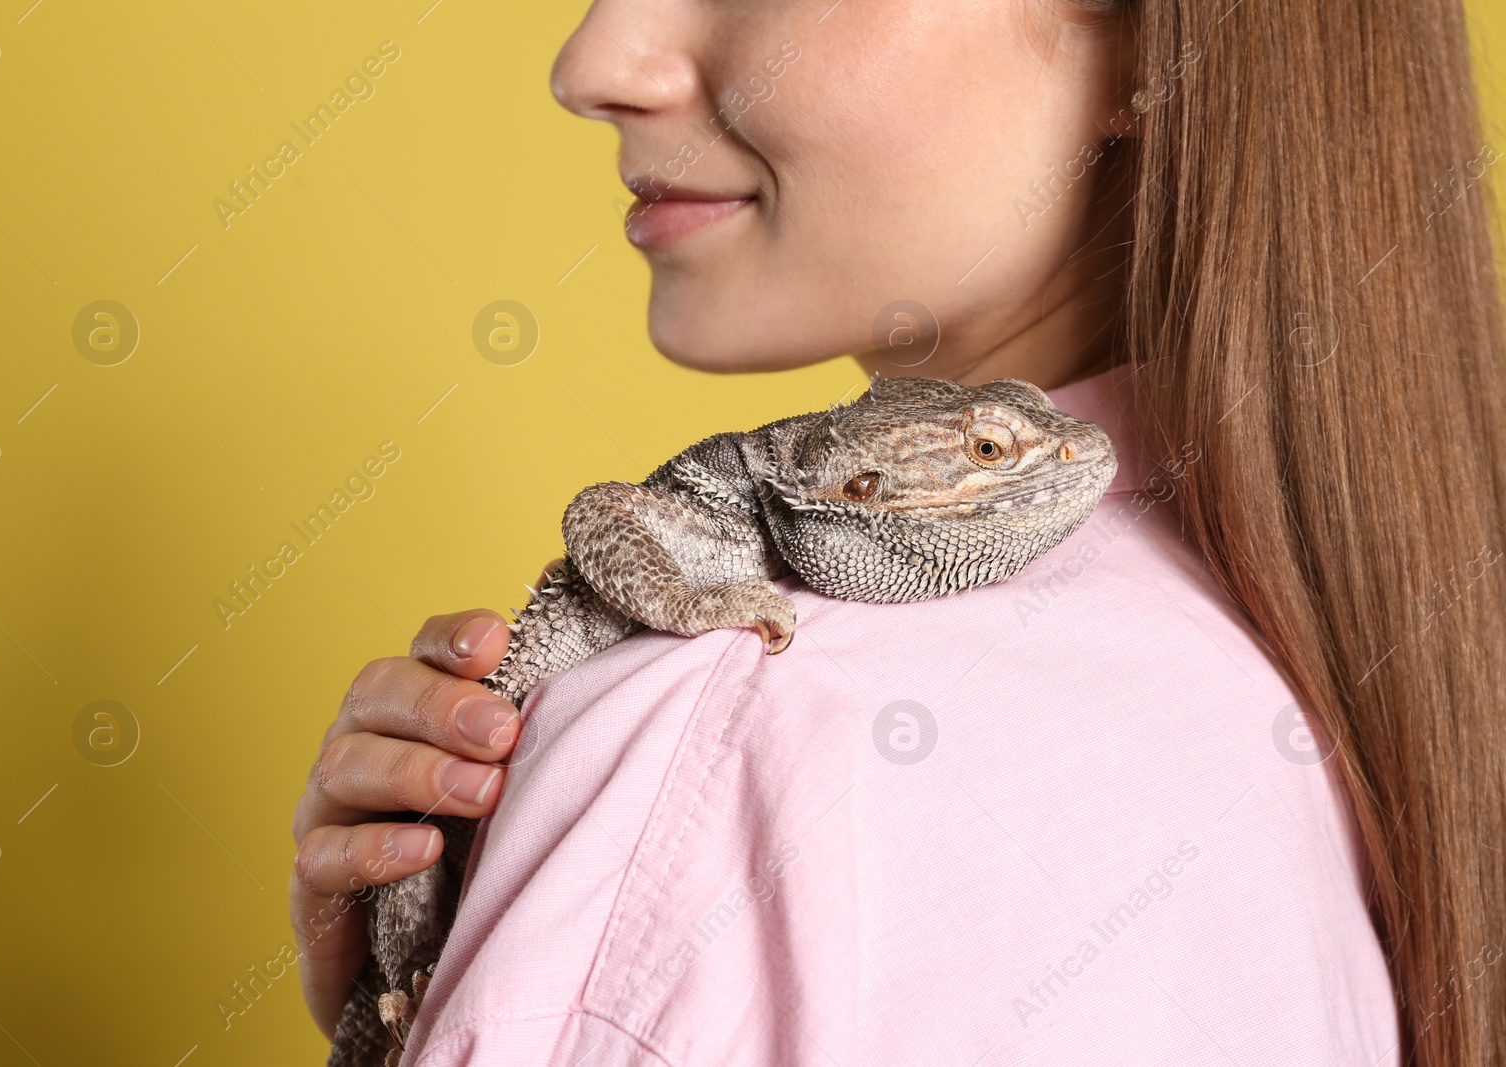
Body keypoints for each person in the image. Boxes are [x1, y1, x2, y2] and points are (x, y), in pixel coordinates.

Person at [291, 0, 1506, 1063]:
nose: (593, 61)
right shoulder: (1321, 658)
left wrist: (578, 929)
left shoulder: (743, 727)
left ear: (1146, 33)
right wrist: (440, 988)